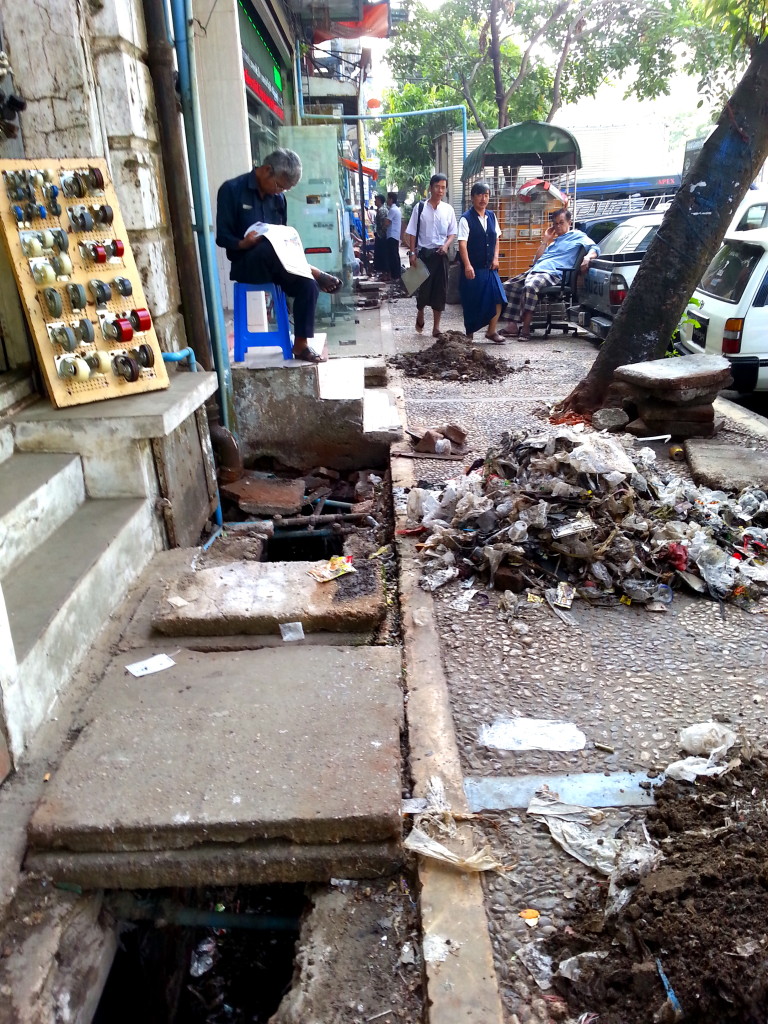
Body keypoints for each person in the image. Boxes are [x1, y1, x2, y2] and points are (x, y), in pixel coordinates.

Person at [216, 148, 341, 364]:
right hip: (246, 263)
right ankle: (312, 269)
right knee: (266, 246)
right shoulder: (232, 190)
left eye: (285, 189)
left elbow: (282, 238)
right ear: (266, 170)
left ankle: (300, 345)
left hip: (278, 265)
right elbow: (222, 237)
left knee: (308, 285)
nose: (280, 191)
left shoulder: (279, 200)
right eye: (279, 185)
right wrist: (243, 243)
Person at [501, 208, 599, 341]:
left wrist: (587, 258)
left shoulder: (578, 236)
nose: (558, 226)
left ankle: (525, 329)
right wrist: (545, 240)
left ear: (569, 222)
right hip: (536, 270)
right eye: (555, 224)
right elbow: (536, 260)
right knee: (506, 286)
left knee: (530, 287)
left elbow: (595, 248)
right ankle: (512, 326)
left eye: (561, 222)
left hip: (553, 274)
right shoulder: (555, 242)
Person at [405, 174, 458, 336]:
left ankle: (436, 327)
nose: (440, 190)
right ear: (430, 188)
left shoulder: (448, 210)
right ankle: (420, 312)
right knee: (422, 290)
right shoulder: (420, 208)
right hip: (424, 255)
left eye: (443, 187)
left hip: (440, 256)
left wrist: (446, 245)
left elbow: (452, 233)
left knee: (440, 291)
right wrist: (412, 253)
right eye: (437, 187)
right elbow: (412, 232)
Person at [457, 181, 507, 343]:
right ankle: (469, 333)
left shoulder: (492, 216)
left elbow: (496, 238)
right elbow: (462, 244)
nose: (483, 199)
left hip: (490, 267)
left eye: (486, 195)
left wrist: (496, 257)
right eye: (479, 195)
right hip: (473, 268)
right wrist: (467, 265)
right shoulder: (466, 219)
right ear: (473, 197)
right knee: (472, 301)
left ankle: (491, 331)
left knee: (498, 298)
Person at [384, 192, 402, 281]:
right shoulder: (397, 209)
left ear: (391, 199)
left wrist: (383, 224)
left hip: (391, 236)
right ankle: (396, 275)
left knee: (392, 256)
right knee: (395, 255)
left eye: (388, 199)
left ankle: (395, 275)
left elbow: (387, 222)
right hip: (395, 235)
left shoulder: (392, 210)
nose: (387, 201)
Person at [372, 194, 389, 278]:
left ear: (380, 201)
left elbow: (383, 225)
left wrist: (380, 234)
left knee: (383, 255)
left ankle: (385, 274)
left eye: (376, 200)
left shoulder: (382, 210)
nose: (375, 201)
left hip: (382, 236)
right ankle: (383, 273)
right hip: (381, 235)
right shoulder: (380, 210)